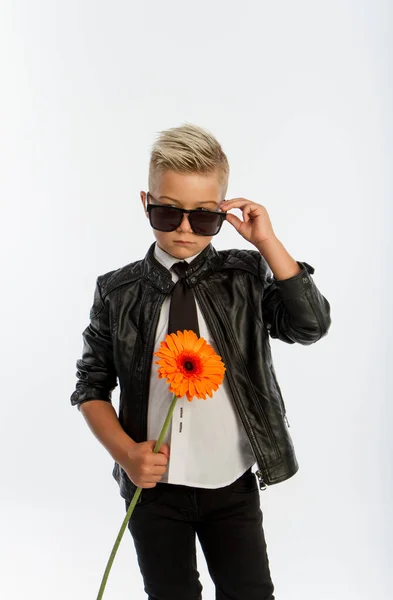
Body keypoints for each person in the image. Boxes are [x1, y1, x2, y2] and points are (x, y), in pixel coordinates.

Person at [70, 123, 331, 600]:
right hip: (153, 491)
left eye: (204, 217)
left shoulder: (246, 276)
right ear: (146, 203)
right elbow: (90, 386)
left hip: (230, 482)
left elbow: (309, 325)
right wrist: (126, 455)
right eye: (169, 213)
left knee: (249, 591)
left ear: (221, 212)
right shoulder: (117, 291)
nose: (186, 230)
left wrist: (267, 243)